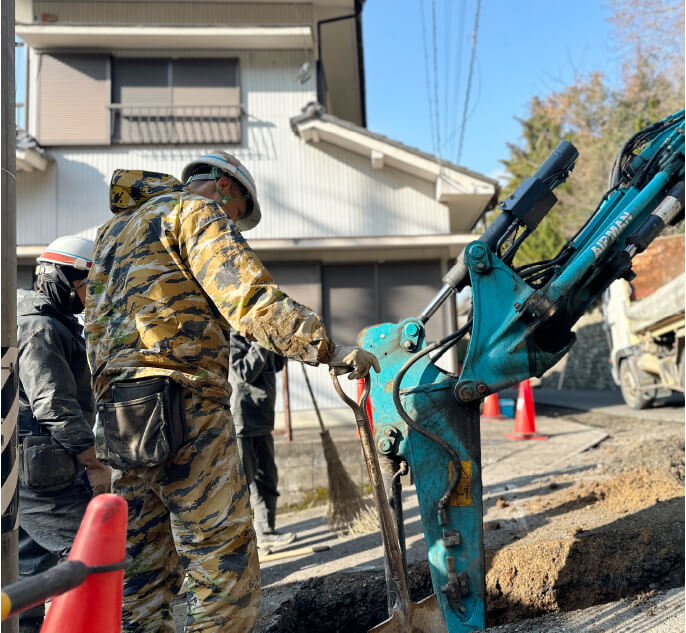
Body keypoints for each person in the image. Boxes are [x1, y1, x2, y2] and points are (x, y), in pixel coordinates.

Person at [85, 151, 380, 633]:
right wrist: (325, 348)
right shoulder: (194, 212)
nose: (235, 224)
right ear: (225, 187)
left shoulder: (112, 233)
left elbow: (94, 324)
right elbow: (248, 297)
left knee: (141, 574)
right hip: (185, 405)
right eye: (239, 213)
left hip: (122, 414)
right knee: (223, 566)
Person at [16, 236, 111, 633]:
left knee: (29, 561)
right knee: (91, 554)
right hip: (44, 465)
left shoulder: (41, 319)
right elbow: (52, 403)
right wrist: (93, 461)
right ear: (60, 277)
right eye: (86, 285)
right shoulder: (40, 326)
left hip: (26, 464)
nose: (89, 296)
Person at [229, 331, 293, 550]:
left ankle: (266, 532)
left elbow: (275, 366)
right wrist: (261, 343)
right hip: (243, 421)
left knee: (267, 480)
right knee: (242, 483)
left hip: (264, 419)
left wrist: (280, 344)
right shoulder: (233, 338)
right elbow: (243, 371)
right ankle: (235, 540)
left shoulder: (262, 337)